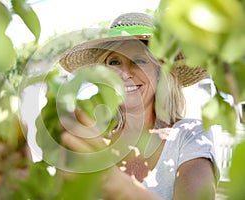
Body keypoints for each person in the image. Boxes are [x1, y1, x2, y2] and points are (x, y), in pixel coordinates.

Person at [58, 12, 219, 200]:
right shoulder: (92, 140)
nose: (124, 73)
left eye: (139, 60)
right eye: (114, 62)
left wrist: (121, 186)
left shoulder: (189, 136)